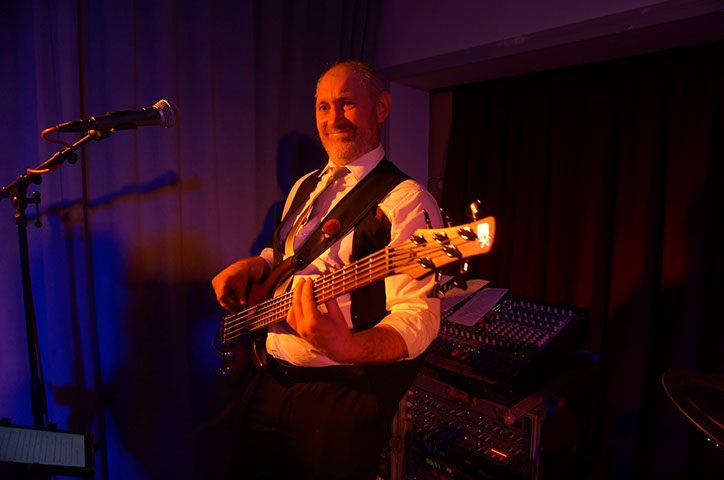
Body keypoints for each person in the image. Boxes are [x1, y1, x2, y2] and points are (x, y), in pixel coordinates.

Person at [212, 60, 442, 479]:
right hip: (270, 375)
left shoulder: (407, 200)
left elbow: (420, 318)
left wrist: (349, 347)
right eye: (323, 106)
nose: (333, 118)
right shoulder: (305, 185)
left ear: (381, 107)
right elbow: (287, 257)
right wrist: (255, 263)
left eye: (347, 103)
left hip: (341, 392)